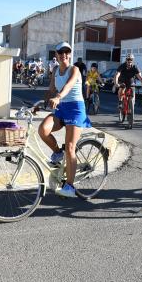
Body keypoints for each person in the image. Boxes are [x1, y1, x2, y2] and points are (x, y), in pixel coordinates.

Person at [39, 41, 91, 198]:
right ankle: (57, 153)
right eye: (60, 53)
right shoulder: (55, 70)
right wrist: (40, 104)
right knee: (43, 130)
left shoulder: (74, 70)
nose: (64, 55)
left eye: (66, 52)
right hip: (61, 109)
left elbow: (68, 86)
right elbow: (51, 90)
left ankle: (69, 186)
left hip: (75, 109)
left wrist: (59, 97)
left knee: (70, 147)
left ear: (70, 54)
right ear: (56, 55)